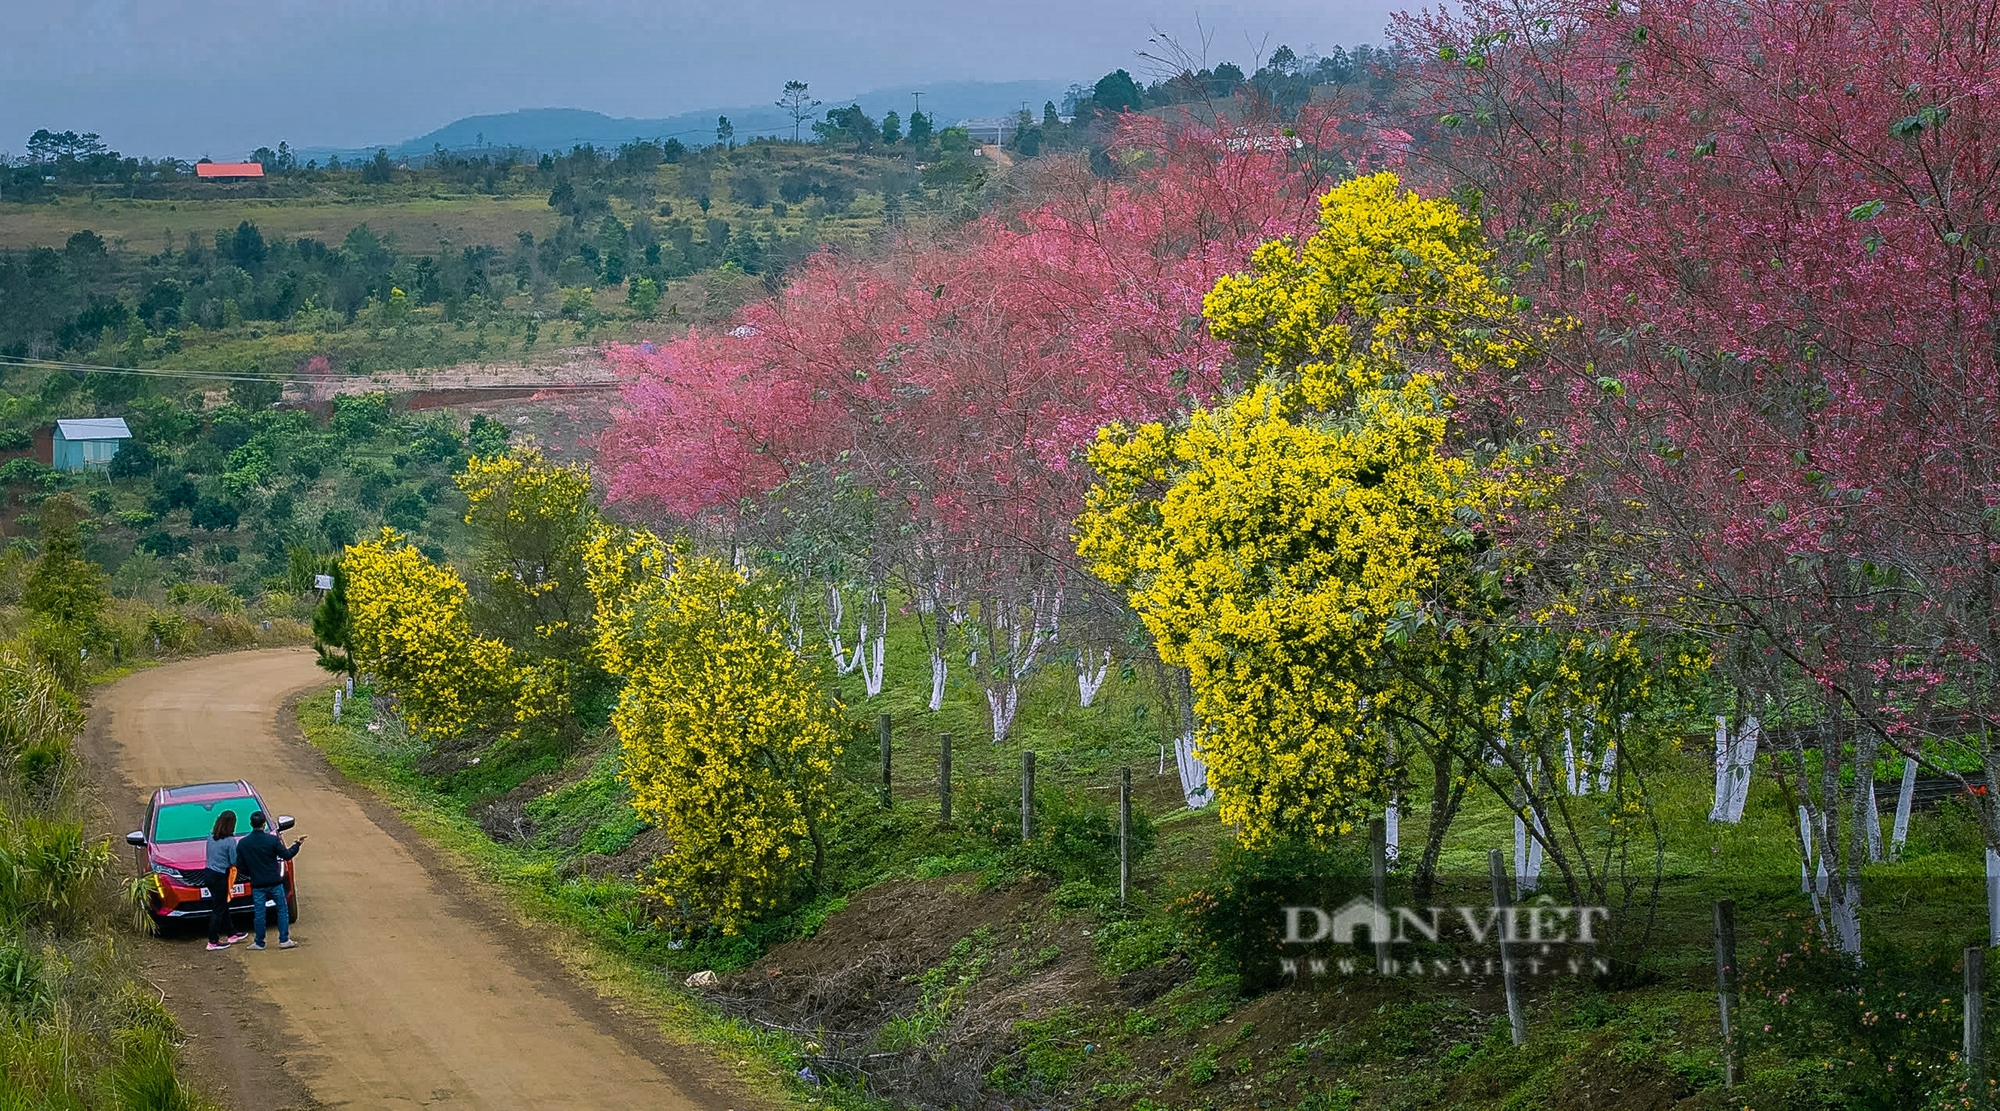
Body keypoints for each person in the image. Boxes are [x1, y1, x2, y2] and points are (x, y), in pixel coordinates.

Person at [234, 810, 306, 950]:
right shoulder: (272, 840)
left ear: (251, 824)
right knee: (282, 909)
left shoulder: (243, 843)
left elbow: (240, 867)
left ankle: (259, 942)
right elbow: (287, 855)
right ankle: (284, 940)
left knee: (259, 913)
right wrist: (297, 844)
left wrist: (252, 873)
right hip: (274, 882)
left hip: (257, 884)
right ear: (264, 824)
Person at [203, 811, 248, 951]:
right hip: (220, 876)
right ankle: (212, 940)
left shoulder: (210, 837)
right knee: (218, 909)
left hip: (208, 873)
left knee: (223, 905)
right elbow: (234, 861)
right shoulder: (230, 841)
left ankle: (231, 933)